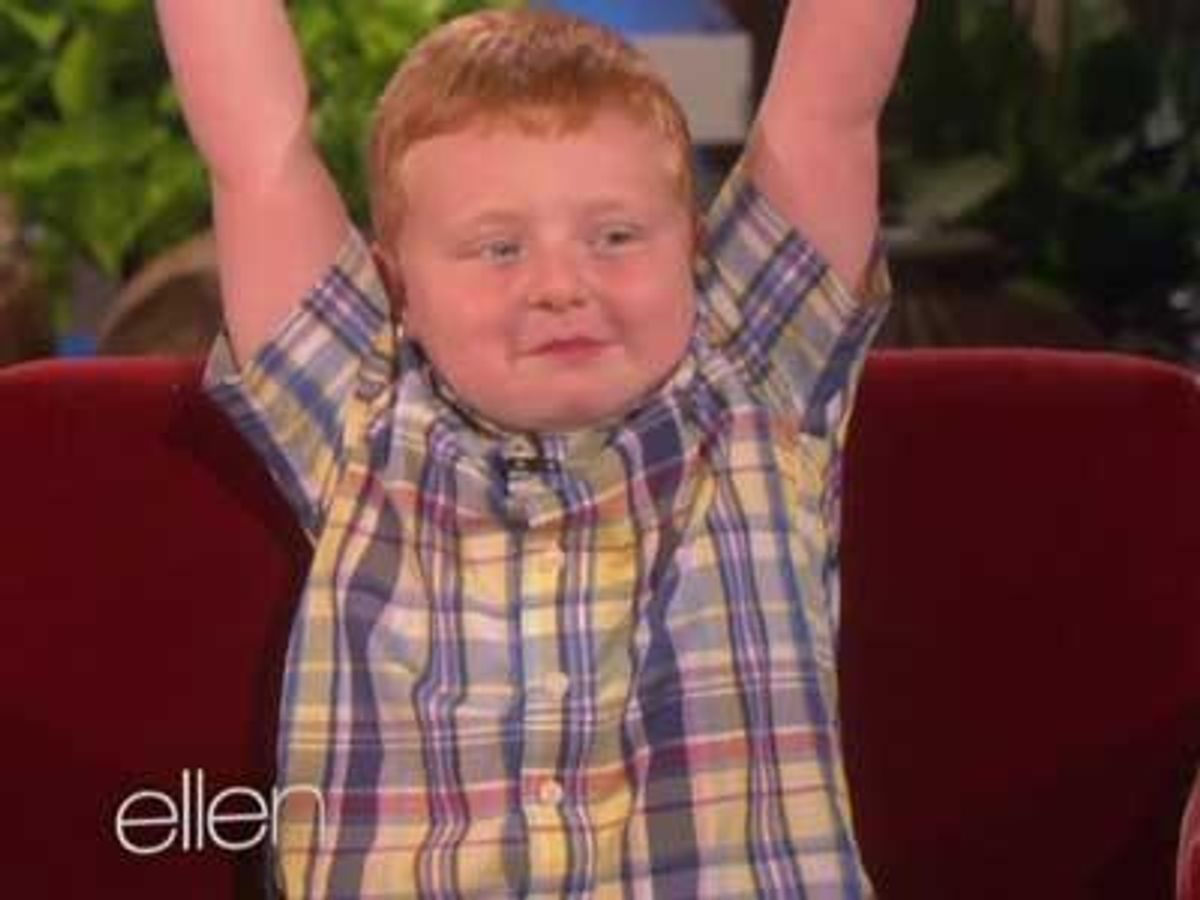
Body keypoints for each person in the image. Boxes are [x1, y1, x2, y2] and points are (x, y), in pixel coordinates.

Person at [155, 2, 914, 896]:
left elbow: (829, 107)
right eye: (498, 248)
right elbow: (256, 155)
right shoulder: (360, 415)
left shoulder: (756, 373)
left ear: (693, 249)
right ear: (400, 287)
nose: (560, 285)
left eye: (616, 237)